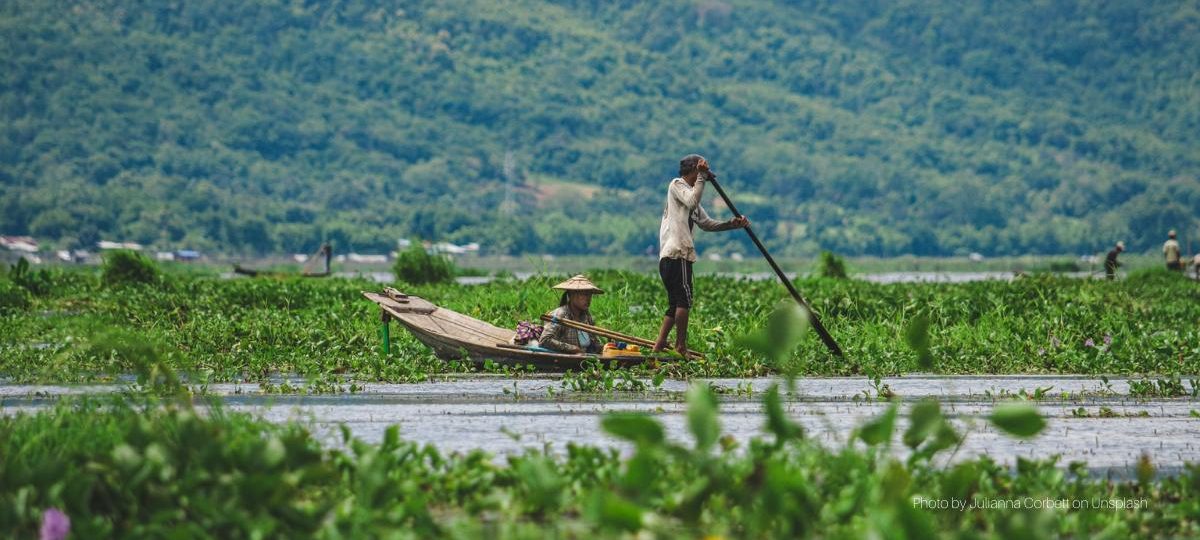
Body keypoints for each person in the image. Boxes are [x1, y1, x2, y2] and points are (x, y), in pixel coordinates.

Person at [652, 154, 749, 356]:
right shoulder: (677, 185)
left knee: (675, 302)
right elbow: (692, 200)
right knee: (684, 301)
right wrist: (702, 177)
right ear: (694, 171)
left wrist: (731, 224)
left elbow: (706, 224)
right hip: (676, 254)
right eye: (700, 171)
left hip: (677, 256)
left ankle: (659, 345)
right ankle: (680, 346)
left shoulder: (691, 196)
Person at [540, 275, 604, 354]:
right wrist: (572, 349)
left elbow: (594, 341)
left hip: (584, 359)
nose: (588, 299)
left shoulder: (586, 315)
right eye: (584, 294)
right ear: (572, 295)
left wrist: (604, 348)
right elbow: (545, 340)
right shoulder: (560, 314)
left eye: (590, 295)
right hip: (563, 361)